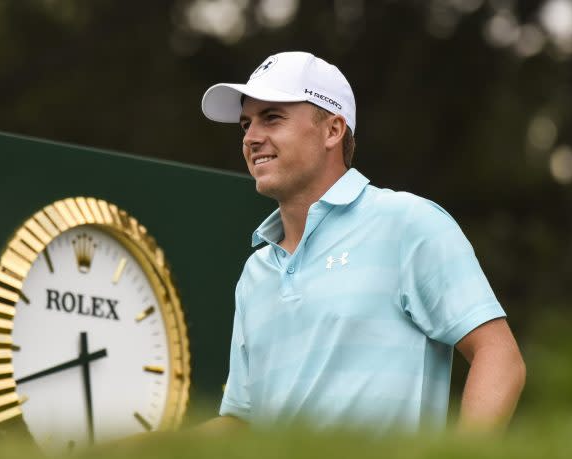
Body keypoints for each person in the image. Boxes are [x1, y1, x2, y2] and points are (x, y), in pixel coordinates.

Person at [199, 51, 525, 434]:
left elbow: (499, 356)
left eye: (272, 117)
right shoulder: (256, 272)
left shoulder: (406, 223)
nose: (252, 138)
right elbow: (242, 423)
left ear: (332, 131)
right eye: (245, 125)